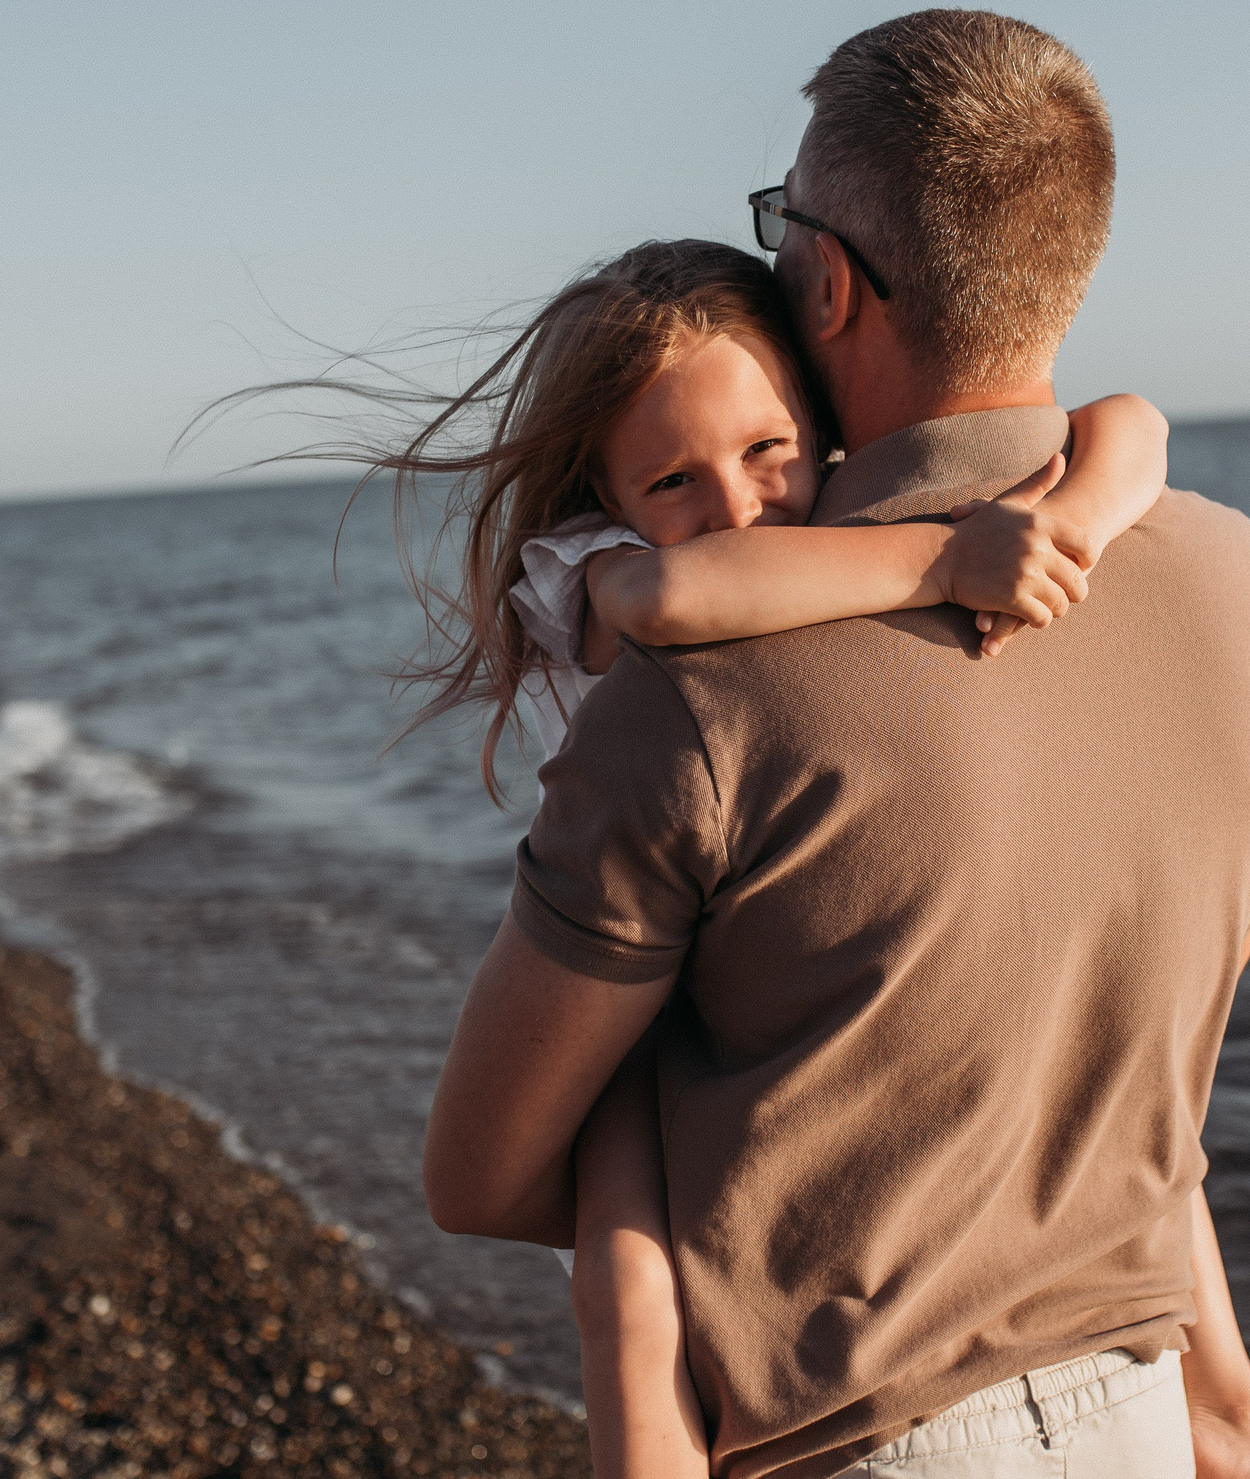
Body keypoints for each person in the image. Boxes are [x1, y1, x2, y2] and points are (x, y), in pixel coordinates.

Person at [426, 9, 1250, 1479]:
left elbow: (475, 1173)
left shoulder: (704, 693)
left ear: (825, 281)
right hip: (1149, 1417)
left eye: (782, 232)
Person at [343, 234, 1174, 1475]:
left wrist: (1072, 517)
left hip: (757, 958)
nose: (733, 503)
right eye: (673, 479)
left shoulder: (825, 519)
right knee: (629, 1305)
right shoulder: (601, 569)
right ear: (608, 496)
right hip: (632, 993)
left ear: (819, 421)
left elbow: (1134, 419)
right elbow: (689, 600)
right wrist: (946, 558)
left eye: (766, 450)